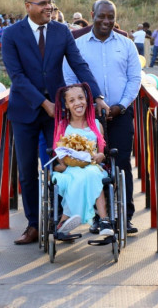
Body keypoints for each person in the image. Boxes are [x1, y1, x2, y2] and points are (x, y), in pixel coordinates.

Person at [1, 0, 108, 245]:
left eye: (50, 3)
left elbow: (79, 64)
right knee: (27, 171)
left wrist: (97, 96)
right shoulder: (11, 34)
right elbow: (16, 77)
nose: (48, 8)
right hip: (24, 111)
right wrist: (42, 103)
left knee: (62, 163)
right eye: (42, 4)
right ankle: (34, 225)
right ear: (28, 6)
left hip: (56, 114)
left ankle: (61, 221)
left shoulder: (61, 32)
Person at [64, 0, 142, 235]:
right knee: (93, 165)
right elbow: (70, 79)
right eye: (102, 16)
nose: (106, 21)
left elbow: (134, 79)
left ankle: (125, 216)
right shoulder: (78, 44)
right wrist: (86, 107)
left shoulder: (127, 45)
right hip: (88, 118)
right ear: (92, 15)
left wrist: (121, 106)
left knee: (121, 164)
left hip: (120, 114)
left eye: (111, 17)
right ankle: (101, 217)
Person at [51, 83, 113, 236]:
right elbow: (58, 152)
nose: (77, 103)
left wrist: (100, 155)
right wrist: (67, 161)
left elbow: (101, 152)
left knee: (92, 174)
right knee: (77, 177)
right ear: (66, 105)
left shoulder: (96, 125)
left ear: (87, 99)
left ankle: (103, 220)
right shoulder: (63, 126)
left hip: (92, 166)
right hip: (70, 168)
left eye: (80, 98)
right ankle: (65, 221)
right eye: (72, 101)